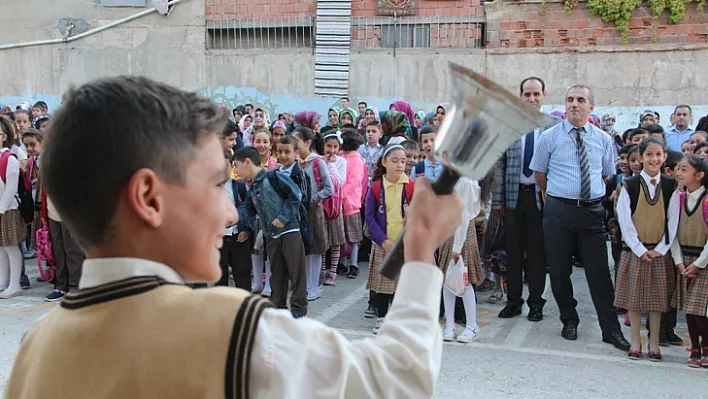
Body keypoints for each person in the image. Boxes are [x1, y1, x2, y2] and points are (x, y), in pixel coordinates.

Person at [6, 76, 465, 398]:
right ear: (148, 196)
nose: (229, 211)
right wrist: (421, 246)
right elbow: (397, 383)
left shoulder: (39, 345)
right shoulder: (230, 328)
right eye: (213, 184)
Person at [530, 85, 630, 351]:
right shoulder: (549, 138)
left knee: (599, 273)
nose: (574, 104)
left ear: (591, 107)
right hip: (558, 212)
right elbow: (539, 174)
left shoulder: (603, 139)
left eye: (581, 100)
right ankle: (569, 319)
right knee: (560, 271)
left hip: (591, 212)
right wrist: (555, 193)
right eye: (570, 100)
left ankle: (611, 330)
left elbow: (607, 175)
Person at [614, 138, 679, 361]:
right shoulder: (629, 185)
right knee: (634, 299)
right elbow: (625, 221)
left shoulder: (670, 186)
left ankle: (654, 344)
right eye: (649, 155)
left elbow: (673, 220)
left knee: (656, 300)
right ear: (640, 158)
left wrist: (661, 248)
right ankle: (635, 341)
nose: (654, 159)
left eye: (658, 155)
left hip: (659, 251)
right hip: (635, 251)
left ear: (664, 157)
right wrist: (639, 249)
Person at [494, 77, 550, 322]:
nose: (531, 99)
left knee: (538, 255)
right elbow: (499, 165)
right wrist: (497, 200)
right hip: (514, 198)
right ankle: (513, 301)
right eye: (527, 94)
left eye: (536, 94)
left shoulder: (553, 127)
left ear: (544, 95)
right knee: (513, 254)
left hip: (541, 199)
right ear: (520, 96)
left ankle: (536, 303)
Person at [365, 144, 416, 334]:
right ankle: (381, 317)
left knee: (401, 285)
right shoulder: (376, 188)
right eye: (394, 161)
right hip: (383, 244)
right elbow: (369, 217)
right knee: (383, 284)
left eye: (403, 161)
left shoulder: (411, 186)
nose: (400, 165)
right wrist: (383, 240)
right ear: (384, 162)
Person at [437, 176, 484, 343]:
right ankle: (450, 324)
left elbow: (464, 217)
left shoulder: (468, 181)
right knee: (447, 278)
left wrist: (457, 247)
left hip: (461, 233)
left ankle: (472, 325)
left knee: (464, 280)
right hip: (448, 230)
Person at [672, 155, 708, 368]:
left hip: (703, 260)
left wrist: (698, 264)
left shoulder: (705, 201)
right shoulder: (680, 198)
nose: (678, 173)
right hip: (684, 258)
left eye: (684, 169)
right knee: (689, 309)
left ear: (699, 175)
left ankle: (705, 346)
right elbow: (672, 232)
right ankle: (695, 347)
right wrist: (679, 262)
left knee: (699, 309)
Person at [292, 127, 333, 301]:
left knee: (315, 248)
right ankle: (305, 285)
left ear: (308, 143)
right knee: (302, 248)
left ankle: (314, 286)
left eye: (297, 142)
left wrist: (313, 198)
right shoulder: (295, 162)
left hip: (314, 210)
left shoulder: (317, 162)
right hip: (298, 211)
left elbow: (328, 188)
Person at [218, 149, 252, 290]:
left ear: (232, 166)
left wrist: (246, 230)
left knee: (242, 274)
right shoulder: (210, 188)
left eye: (225, 166)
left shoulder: (239, 186)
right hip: (218, 238)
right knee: (220, 276)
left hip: (238, 236)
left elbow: (249, 209)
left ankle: (244, 304)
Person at [339, 129, 367, 278]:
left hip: (351, 203)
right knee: (342, 236)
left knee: (353, 236)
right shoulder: (341, 157)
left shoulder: (356, 159)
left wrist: (340, 193)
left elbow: (354, 181)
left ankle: (353, 264)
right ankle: (342, 263)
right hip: (341, 202)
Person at [321, 132, 347, 285]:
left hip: (336, 205)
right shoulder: (318, 159)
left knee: (335, 239)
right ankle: (322, 270)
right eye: (328, 146)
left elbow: (340, 181)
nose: (331, 150)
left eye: (335, 146)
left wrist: (330, 164)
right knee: (323, 239)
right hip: (322, 204)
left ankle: (333, 272)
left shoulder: (341, 162)